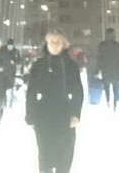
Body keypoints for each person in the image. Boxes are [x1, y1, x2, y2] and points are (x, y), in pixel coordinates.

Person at [26, 29, 84, 173]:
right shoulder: (39, 65)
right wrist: (30, 114)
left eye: (58, 41)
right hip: (43, 114)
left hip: (65, 112)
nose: (55, 44)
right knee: (45, 155)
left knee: (65, 156)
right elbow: (31, 91)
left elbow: (78, 90)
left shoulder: (70, 65)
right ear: (46, 43)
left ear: (64, 44)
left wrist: (76, 113)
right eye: (52, 41)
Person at [95, 27, 119, 109]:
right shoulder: (116, 45)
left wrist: (98, 69)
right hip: (115, 69)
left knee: (107, 87)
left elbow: (99, 58)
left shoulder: (102, 45)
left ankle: (108, 102)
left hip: (106, 69)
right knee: (115, 87)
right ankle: (115, 104)